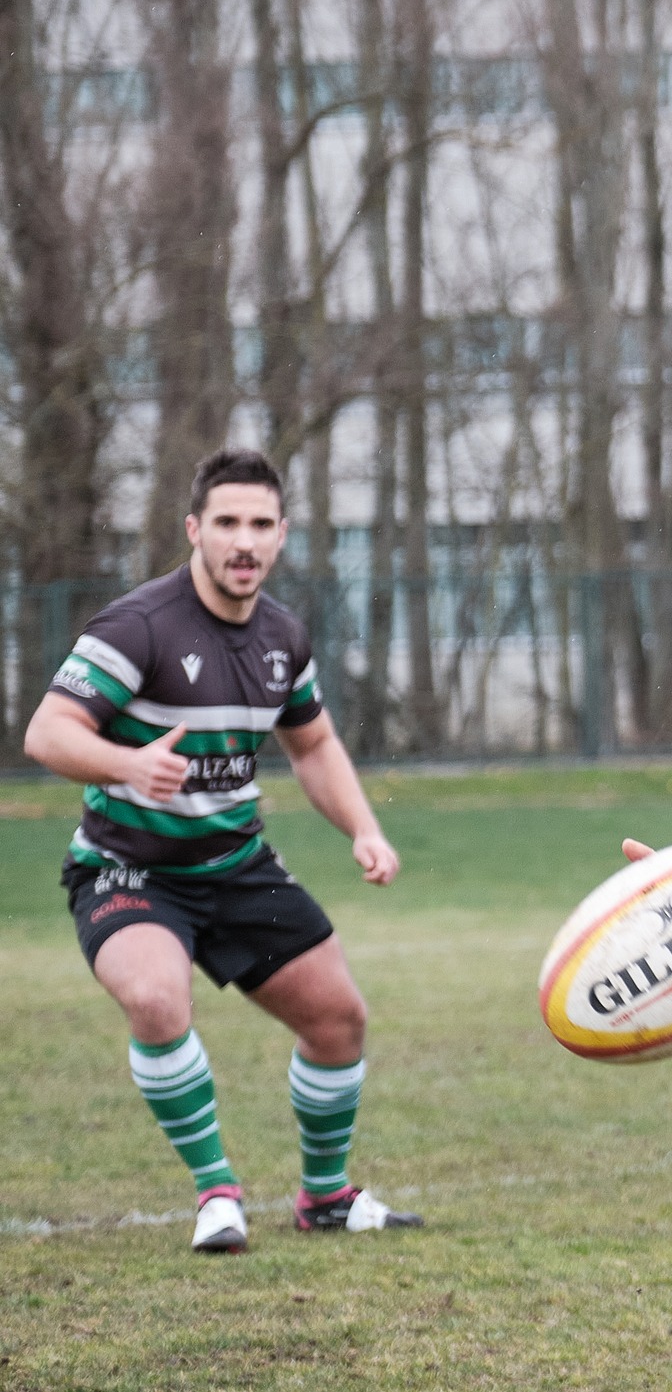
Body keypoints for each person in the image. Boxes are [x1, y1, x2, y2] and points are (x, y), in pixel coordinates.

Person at [25, 449, 421, 1253]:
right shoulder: (138, 626)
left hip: (236, 866)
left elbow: (312, 747)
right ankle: (218, 1192)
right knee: (156, 1000)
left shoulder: (282, 635)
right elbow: (48, 731)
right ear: (195, 530)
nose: (245, 542)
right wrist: (129, 763)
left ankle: (325, 1197)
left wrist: (364, 828)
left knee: (338, 1018)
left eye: (262, 525)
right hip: (127, 869)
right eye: (229, 523)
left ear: (281, 535)